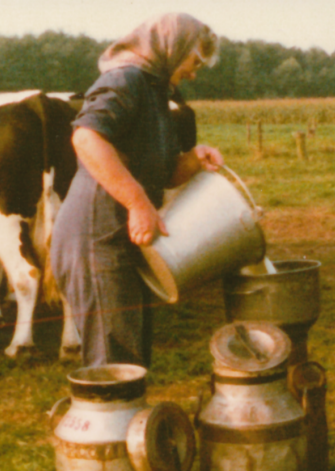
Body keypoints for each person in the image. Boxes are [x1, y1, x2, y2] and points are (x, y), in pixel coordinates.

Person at [50, 13, 224, 368]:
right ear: (172, 48)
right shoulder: (125, 79)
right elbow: (87, 138)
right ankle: (110, 423)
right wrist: (137, 201)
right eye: (194, 61)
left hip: (122, 241)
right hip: (96, 241)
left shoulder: (155, 91)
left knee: (130, 359)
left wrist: (191, 160)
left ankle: (125, 421)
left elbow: (156, 172)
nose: (194, 72)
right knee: (114, 364)